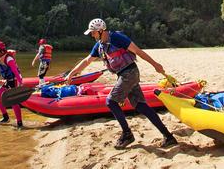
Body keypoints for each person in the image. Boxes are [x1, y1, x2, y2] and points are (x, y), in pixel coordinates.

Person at [65, 18, 178, 149]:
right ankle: (169, 137)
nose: (92, 35)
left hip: (129, 73)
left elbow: (138, 51)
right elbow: (87, 61)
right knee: (141, 106)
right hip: (124, 75)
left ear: (101, 31)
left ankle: (127, 134)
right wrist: (71, 73)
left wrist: (155, 65)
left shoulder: (117, 38)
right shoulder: (100, 45)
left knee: (111, 101)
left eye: (93, 32)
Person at [0, 41, 24, 129]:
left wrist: (20, 81)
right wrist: (4, 80)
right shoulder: (0, 57)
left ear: (0, 50)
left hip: (14, 80)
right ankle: (6, 118)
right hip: (8, 80)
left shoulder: (9, 58)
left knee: (13, 101)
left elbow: (15, 71)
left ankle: (19, 123)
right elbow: (4, 70)